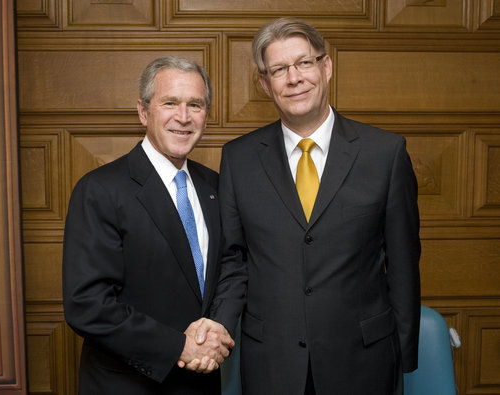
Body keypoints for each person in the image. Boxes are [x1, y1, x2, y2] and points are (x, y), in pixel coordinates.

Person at [201, 17, 421, 394]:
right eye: (279, 69)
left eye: (304, 62)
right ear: (265, 84)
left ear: (326, 66)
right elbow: (232, 260)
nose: (294, 77)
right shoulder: (238, 159)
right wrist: (217, 325)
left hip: (364, 361)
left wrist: (401, 359)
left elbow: (402, 264)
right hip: (272, 364)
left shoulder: (385, 153)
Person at [62, 55, 234, 394]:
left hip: (202, 382)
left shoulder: (216, 187)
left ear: (206, 115)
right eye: (170, 102)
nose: (183, 117)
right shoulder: (100, 189)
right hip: (127, 384)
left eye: (195, 105)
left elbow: (232, 265)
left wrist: (217, 328)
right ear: (144, 112)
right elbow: (87, 304)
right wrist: (178, 346)